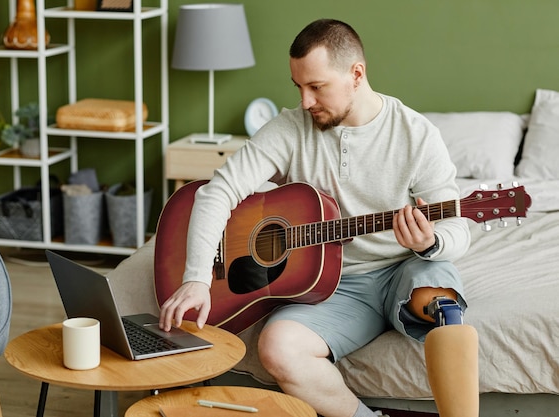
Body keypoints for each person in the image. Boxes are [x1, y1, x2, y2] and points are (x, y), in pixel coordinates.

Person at [159, 19, 478, 417]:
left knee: (442, 303)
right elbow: (216, 191)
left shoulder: (417, 135)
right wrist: (196, 277)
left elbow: (457, 230)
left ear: (356, 74)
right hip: (332, 288)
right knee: (277, 347)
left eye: (317, 87)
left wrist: (429, 242)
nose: (306, 101)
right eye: (299, 87)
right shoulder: (291, 128)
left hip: (404, 266)